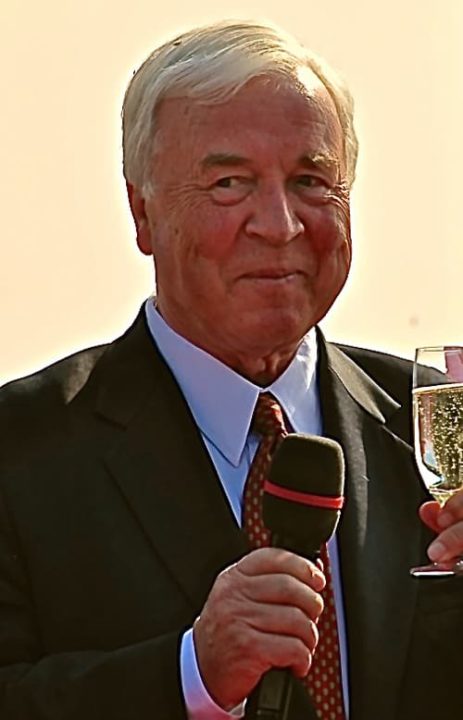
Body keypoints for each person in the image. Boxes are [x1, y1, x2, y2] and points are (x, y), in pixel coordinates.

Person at [0, 18, 462, 720]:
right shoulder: (20, 451)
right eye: (229, 183)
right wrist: (192, 675)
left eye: (310, 181)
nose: (278, 224)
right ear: (142, 211)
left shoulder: (440, 431)